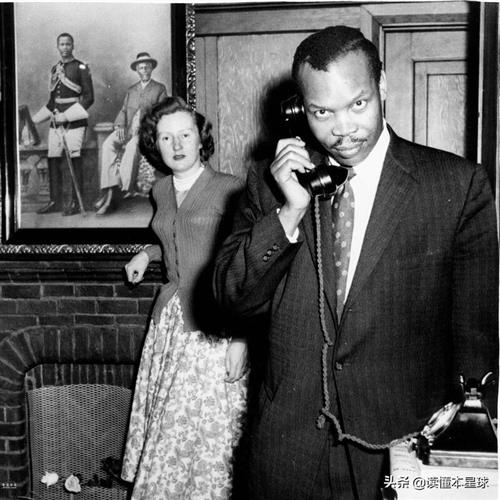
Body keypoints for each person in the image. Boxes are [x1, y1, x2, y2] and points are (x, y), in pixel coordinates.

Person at [213, 26, 498, 500]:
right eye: (322, 112)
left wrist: (468, 450)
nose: (343, 129)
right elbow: (230, 298)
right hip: (289, 452)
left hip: (401, 451)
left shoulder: (456, 185)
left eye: (358, 104)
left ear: (381, 86)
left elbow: (477, 338)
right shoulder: (271, 184)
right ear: (298, 110)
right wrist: (289, 213)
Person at [121, 97, 248, 499]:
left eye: (185, 135)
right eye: (166, 137)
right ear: (154, 144)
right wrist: (147, 254)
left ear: (200, 137)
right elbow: (176, 236)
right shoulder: (160, 189)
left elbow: (251, 266)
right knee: (170, 431)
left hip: (214, 326)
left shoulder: (230, 189)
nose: (176, 145)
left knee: (206, 434)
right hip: (170, 324)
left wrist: (242, 338)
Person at [95, 52, 167, 215]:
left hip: (146, 131)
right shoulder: (131, 90)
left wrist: (146, 129)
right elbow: (123, 110)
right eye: (141, 67)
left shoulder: (159, 88)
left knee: (133, 145)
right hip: (128, 129)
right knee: (107, 144)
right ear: (137, 70)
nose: (144, 70)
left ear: (151, 69)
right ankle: (109, 187)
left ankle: (120, 189)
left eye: (147, 67)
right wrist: (120, 125)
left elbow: (162, 114)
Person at [33, 32, 94, 216]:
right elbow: (52, 102)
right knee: (53, 157)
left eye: (68, 44)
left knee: (75, 157)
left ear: (73, 46)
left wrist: (67, 117)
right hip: (55, 120)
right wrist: (33, 121)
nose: (65, 47)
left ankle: (75, 202)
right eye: (62, 44)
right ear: (57, 47)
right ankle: (55, 202)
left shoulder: (81, 67)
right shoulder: (55, 69)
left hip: (74, 120)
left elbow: (89, 98)